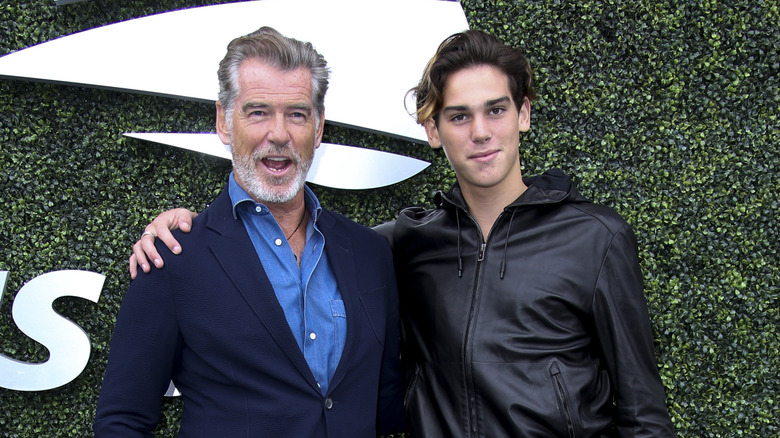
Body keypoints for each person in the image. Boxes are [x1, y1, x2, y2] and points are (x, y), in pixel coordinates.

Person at [130, 30, 674, 437]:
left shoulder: (595, 237)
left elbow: (644, 411)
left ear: (523, 114)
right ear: (433, 131)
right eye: (459, 117)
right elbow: (291, 247)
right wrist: (193, 227)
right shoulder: (401, 243)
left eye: (496, 110)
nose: (481, 132)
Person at [95, 26, 403, 437]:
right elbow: (123, 420)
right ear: (224, 122)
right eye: (258, 112)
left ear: (319, 127)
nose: (279, 134)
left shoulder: (368, 252)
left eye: (297, 114)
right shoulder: (173, 257)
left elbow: (387, 405)